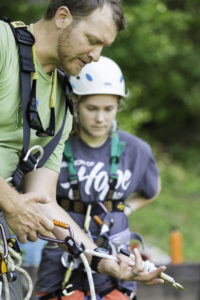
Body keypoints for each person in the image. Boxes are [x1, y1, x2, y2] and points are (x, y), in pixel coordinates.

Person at [0, 1, 165, 299]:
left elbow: (43, 201)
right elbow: (18, 203)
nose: (96, 56)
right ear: (63, 17)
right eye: (93, 40)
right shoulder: (2, 44)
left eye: (104, 45)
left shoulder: (62, 104)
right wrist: (10, 201)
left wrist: (106, 261)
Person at [36, 56, 163, 300]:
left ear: (119, 105)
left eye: (109, 109)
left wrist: (125, 210)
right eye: (92, 109)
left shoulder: (136, 149)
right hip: (62, 256)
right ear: (75, 102)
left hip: (115, 257)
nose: (100, 119)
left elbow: (152, 189)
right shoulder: (55, 145)